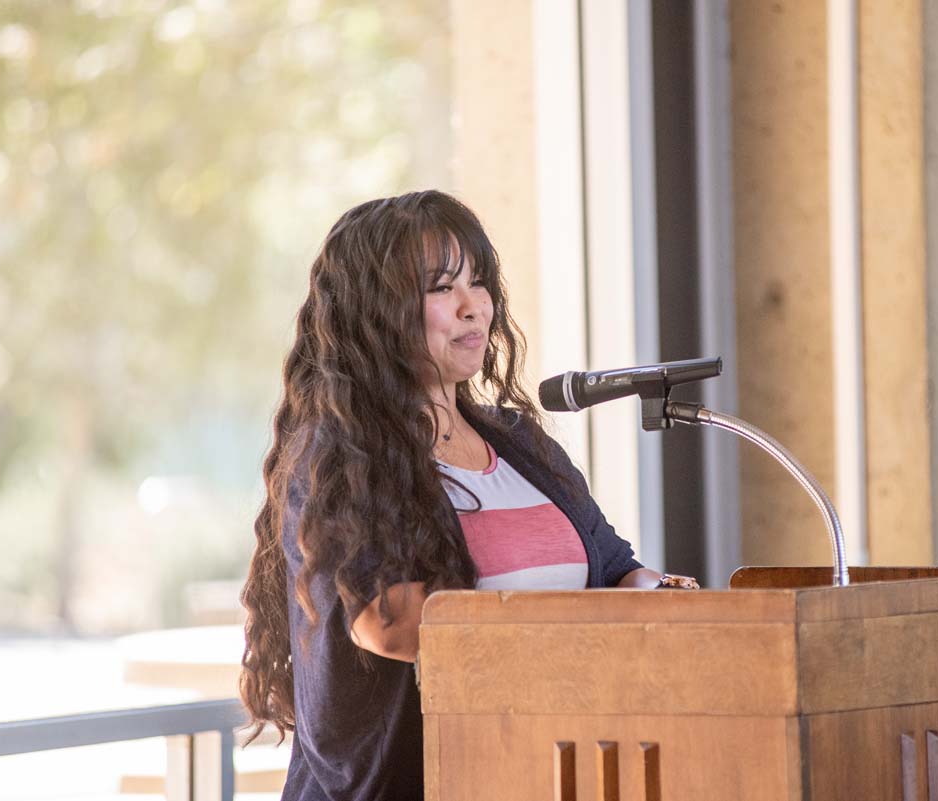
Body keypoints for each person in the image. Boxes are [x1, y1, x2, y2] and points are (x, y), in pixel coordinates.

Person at [238, 190, 672, 801]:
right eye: (442, 288)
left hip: (537, 777)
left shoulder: (521, 445)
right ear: (376, 311)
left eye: (479, 281)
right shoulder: (338, 454)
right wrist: (588, 634)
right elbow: (394, 623)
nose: (474, 307)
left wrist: (678, 606)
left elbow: (616, 571)